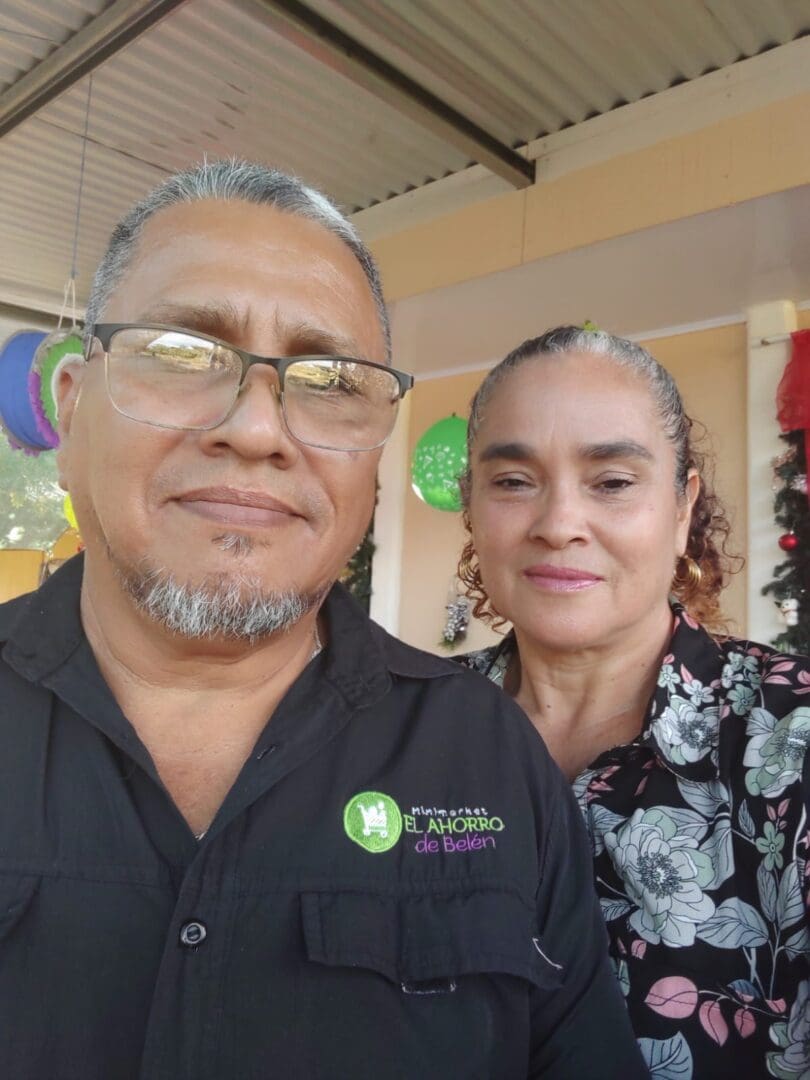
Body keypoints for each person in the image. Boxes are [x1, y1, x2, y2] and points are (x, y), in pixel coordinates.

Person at [0, 167, 643, 1078]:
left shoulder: (486, 753)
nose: (258, 429)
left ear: (374, 459)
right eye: (184, 350)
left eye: (331, 378)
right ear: (69, 409)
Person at [456, 325, 810, 1079]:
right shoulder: (408, 736)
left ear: (683, 509)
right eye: (514, 481)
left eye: (612, 481)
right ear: (471, 506)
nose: (557, 524)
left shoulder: (791, 740)